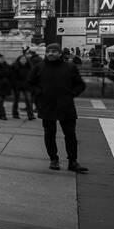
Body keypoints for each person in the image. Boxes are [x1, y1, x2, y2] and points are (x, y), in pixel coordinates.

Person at [31, 44, 88, 172]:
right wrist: (39, 93)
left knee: (70, 134)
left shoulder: (70, 67)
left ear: (60, 53)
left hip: (66, 106)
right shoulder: (39, 67)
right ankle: (53, 159)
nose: (51, 53)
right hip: (47, 106)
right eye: (48, 51)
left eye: (54, 51)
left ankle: (73, 161)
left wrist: (71, 94)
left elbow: (80, 84)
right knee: (49, 134)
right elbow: (30, 83)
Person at [10, 52, 37, 120]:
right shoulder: (14, 67)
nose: (23, 60)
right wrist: (15, 84)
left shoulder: (30, 67)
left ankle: (30, 115)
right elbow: (12, 77)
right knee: (16, 100)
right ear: (19, 60)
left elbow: (32, 76)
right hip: (17, 86)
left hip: (27, 86)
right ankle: (15, 114)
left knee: (29, 100)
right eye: (22, 59)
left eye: (24, 59)